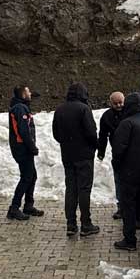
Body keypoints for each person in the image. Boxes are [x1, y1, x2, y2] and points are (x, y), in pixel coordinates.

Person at [52, 82, 101, 238]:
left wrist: (67, 143)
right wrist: (94, 146)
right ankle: (86, 224)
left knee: (71, 189)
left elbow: (56, 134)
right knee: (84, 189)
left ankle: (71, 224)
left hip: (67, 155)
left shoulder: (59, 109)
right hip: (84, 155)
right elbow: (91, 132)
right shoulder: (84, 109)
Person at [111, 92, 140, 250]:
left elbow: (118, 149)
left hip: (129, 170)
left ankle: (130, 240)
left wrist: (117, 164)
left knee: (128, 205)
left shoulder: (127, 123)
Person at [7, 85, 45, 221]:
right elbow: (23, 131)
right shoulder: (20, 108)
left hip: (24, 148)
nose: (30, 94)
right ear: (23, 94)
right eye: (28, 92)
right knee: (27, 177)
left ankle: (28, 205)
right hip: (22, 148)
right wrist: (32, 147)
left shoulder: (22, 107)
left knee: (32, 176)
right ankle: (14, 207)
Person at [97, 92, 125, 220]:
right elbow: (103, 136)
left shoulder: (130, 112)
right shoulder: (106, 116)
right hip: (117, 153)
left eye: (120, 102)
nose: (119, 105)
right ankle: (121, 207)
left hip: (132, 153)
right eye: (115, 103)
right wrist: (101, 152)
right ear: (111, 103)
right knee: (119, 180)